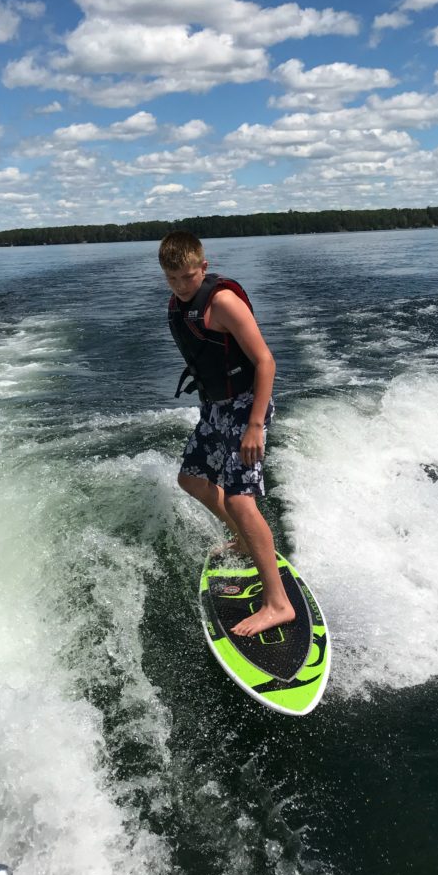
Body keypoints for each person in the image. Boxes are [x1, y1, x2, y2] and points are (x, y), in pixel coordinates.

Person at [159, 230, 295, 638]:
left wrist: (255, 425)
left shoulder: (222, 302)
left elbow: (265, 361)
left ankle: (278, 604)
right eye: (172, 279)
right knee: (192, 479)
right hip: (217, 407)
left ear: (203, 266)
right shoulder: (180, 303)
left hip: (246, 406)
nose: (182, 287)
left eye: (188, 276)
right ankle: (240, 537)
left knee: (240, 498)